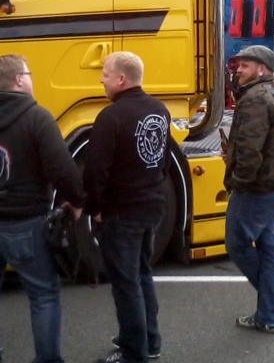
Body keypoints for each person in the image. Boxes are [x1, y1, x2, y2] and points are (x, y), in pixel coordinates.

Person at [0, 55, 85, 363]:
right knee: (43, 294)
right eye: (29, 73)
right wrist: (77, 202)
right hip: (26, 221)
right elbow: (63, 170)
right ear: (19, 80)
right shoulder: (37, 118)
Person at [83, 52, 170, 363]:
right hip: (152, 205)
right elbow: (162, 160)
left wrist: (93, 207)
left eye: (106, 74)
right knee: (142, 273)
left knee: (125, 283)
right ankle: (150, 340)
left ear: (121, 79)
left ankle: (133, 352)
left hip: (121, 211)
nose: (101, 79)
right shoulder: (159, 109)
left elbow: (96, 170)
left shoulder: (111, 117)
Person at [224, 45, 274, 335]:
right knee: (268, 248)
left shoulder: (255, 98)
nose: (238, 70)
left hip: (258, 187)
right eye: (239, 66)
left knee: (237, 244)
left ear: (262, 69)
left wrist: (237, 182)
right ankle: (268, 316)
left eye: (245, 66)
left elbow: (250, 150)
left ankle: (272, 291)